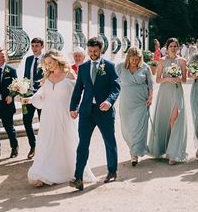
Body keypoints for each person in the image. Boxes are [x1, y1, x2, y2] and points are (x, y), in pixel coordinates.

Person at [23, 50, 96, 186]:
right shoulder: (47, 76)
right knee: (47, 142)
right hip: (48, 115)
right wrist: (30, 99)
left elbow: (78, 94)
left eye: (50, 62)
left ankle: (71, 170)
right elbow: (42, 95)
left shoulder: (69, 75)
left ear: (57, 60)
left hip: (64, 114)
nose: (48, 66)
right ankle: (43, 173)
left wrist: (77, 109)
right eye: (46, 64)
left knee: (66, 141)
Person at [69, 37, 121, 190]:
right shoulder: (83, 67)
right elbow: (78, 88)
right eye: (90, 51)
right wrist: (73, 107)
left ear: (101, 50)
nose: (92, 54)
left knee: (109, 142)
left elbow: (116, 88)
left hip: (104, 112)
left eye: (95, 51)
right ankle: (78, 178)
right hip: (86, 112)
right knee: (82, 145)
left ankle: (112, 171)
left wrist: (109, 101)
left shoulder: (110, 66)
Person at [149, 37, 188, 165]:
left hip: (177, 91)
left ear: (178, 47)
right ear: (167, 47)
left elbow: (184, 80)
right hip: (165, 92)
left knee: (174, 120)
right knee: (165, 120)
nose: (173, 48)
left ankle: (174, 152)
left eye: (175, 46)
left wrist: (177, 78)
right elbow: (158, 79)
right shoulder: (161, 60)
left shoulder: (182, 61)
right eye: (171, 46)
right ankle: (165, 148)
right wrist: (168, 79)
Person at [116, 47, 154, 166]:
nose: (135, 62)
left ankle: (134, 154)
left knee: (139, 128)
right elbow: (112, 81)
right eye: (133, 59)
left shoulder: (145, 67)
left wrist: (150, 97)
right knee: (128, 128)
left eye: (137, 59)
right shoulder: (120, 67)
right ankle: (132, 149)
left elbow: (150, 84)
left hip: (141, 102)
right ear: (128, 58)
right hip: (126, 102)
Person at [22, 37, 44, 159]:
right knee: (26, 121)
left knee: (44, 122)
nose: (34, 48)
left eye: (37, 46)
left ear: (42, 46)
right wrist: (21, 89)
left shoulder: (46, 60)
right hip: (28, 95)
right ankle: (33, 146)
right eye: (33, 46)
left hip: (41, 96)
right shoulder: (28, 59)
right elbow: (26, 76)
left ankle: (43, 147)